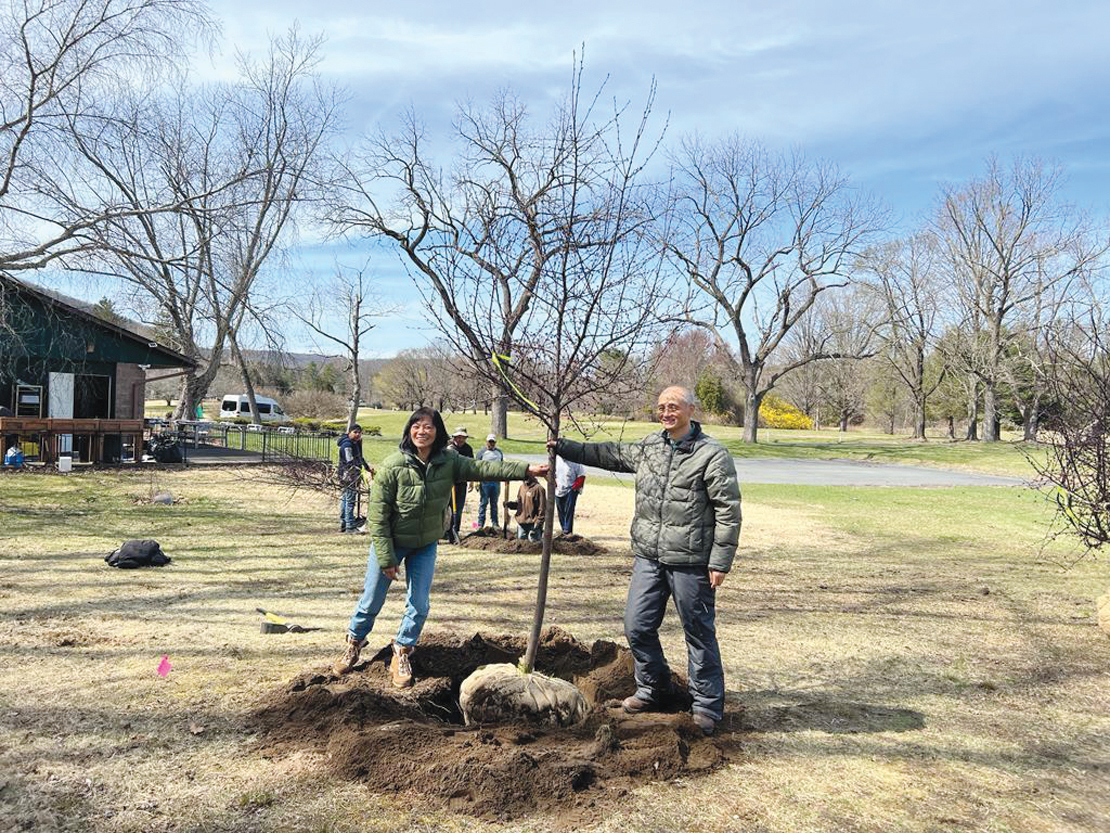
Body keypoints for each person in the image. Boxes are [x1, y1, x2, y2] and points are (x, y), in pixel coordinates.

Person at [549, 386, 741, 736]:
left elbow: (728, 511)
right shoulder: (650, 447)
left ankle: (706, 706)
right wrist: (564, 446)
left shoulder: (712, 454)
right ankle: (654, 688)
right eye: (661, 407)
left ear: (691, 410)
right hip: (649, 557)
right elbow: (609, 454)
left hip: (691, 561)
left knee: (698, 633)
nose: (667, 412)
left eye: (674, 407)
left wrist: (720, 561)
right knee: (636, 624)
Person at [333, 407, 548, 685]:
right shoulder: (392, 465)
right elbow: (377, 516)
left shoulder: (450, 461)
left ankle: (402, 650)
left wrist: (525, 470)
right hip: (392, 543)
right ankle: (354, 643)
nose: (422, 431)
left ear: (438, 432)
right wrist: (387, 557)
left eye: (429, 427)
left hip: (424, 544)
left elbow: (484, 468)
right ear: (409, 430)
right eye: (417, 426)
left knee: (419, 603)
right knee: (372, 599)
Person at [337, 425, 373, 533]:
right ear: (349, 432)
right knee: (350, 500)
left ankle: (344, 522)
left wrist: (367, 468)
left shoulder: (354, 443)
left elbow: (360, 457)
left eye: (359, 432)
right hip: (348, 475)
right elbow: (350, 462)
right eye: (355, 432)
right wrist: (355, 473)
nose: (358, 434)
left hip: (352, 474)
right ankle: (350, 526)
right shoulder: (347, 445)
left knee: (346, 498)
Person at [448, 426, 474, 535]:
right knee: (447, 509)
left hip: (462, 483)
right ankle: (445, 531)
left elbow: (472, 465)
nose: (460, 440)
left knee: (458, 509)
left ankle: (455, 530)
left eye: (462, 437)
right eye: (458, 437)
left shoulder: (468, 449)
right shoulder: (449, 449)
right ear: (454, 437)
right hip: (448, 484)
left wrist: (472, 481)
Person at [475, 432, 504, 528]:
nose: (491, 444)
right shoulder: (481, 453)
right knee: (483, 503)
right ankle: (479, 524)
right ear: (486, 442)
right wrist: (476, 481)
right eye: (489, 442)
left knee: (494, 503)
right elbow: (476, 467)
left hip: (496, 481)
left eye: (493, 442)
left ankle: (495, 523)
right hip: (484, 481)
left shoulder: (499, 452)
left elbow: (502, 465)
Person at [555, 455, 585, 534]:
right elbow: (552, 473)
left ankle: (567, 531)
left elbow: (581, 474)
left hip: (571, 489)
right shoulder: (557, 459)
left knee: (569, 510)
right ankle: (563, 528)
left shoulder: (575, 461)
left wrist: (575, 487)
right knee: (560, 510)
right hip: (558, 489)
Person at [512, 473, 546, 541]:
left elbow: (542, 508)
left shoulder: (539, 489)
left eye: (527, 477)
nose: (525, 480)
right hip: (522, 522)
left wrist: (539, 522)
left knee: (534, 545)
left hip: (533, 523)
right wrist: (510, 505)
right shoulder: (522, 487)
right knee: (521, 545)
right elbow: (520, 504)